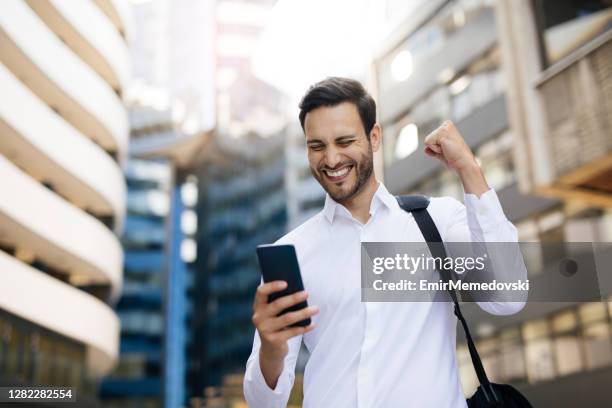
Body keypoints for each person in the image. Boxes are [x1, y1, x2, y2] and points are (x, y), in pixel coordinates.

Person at [243, 77, 527, 407]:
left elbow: (508, 297)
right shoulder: (292, 252)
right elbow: (262, 403)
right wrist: (271, 350)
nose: (331, 159)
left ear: (374, 137)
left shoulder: (435, 221)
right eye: (317, 146)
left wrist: (469, 168)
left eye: (345, 141)